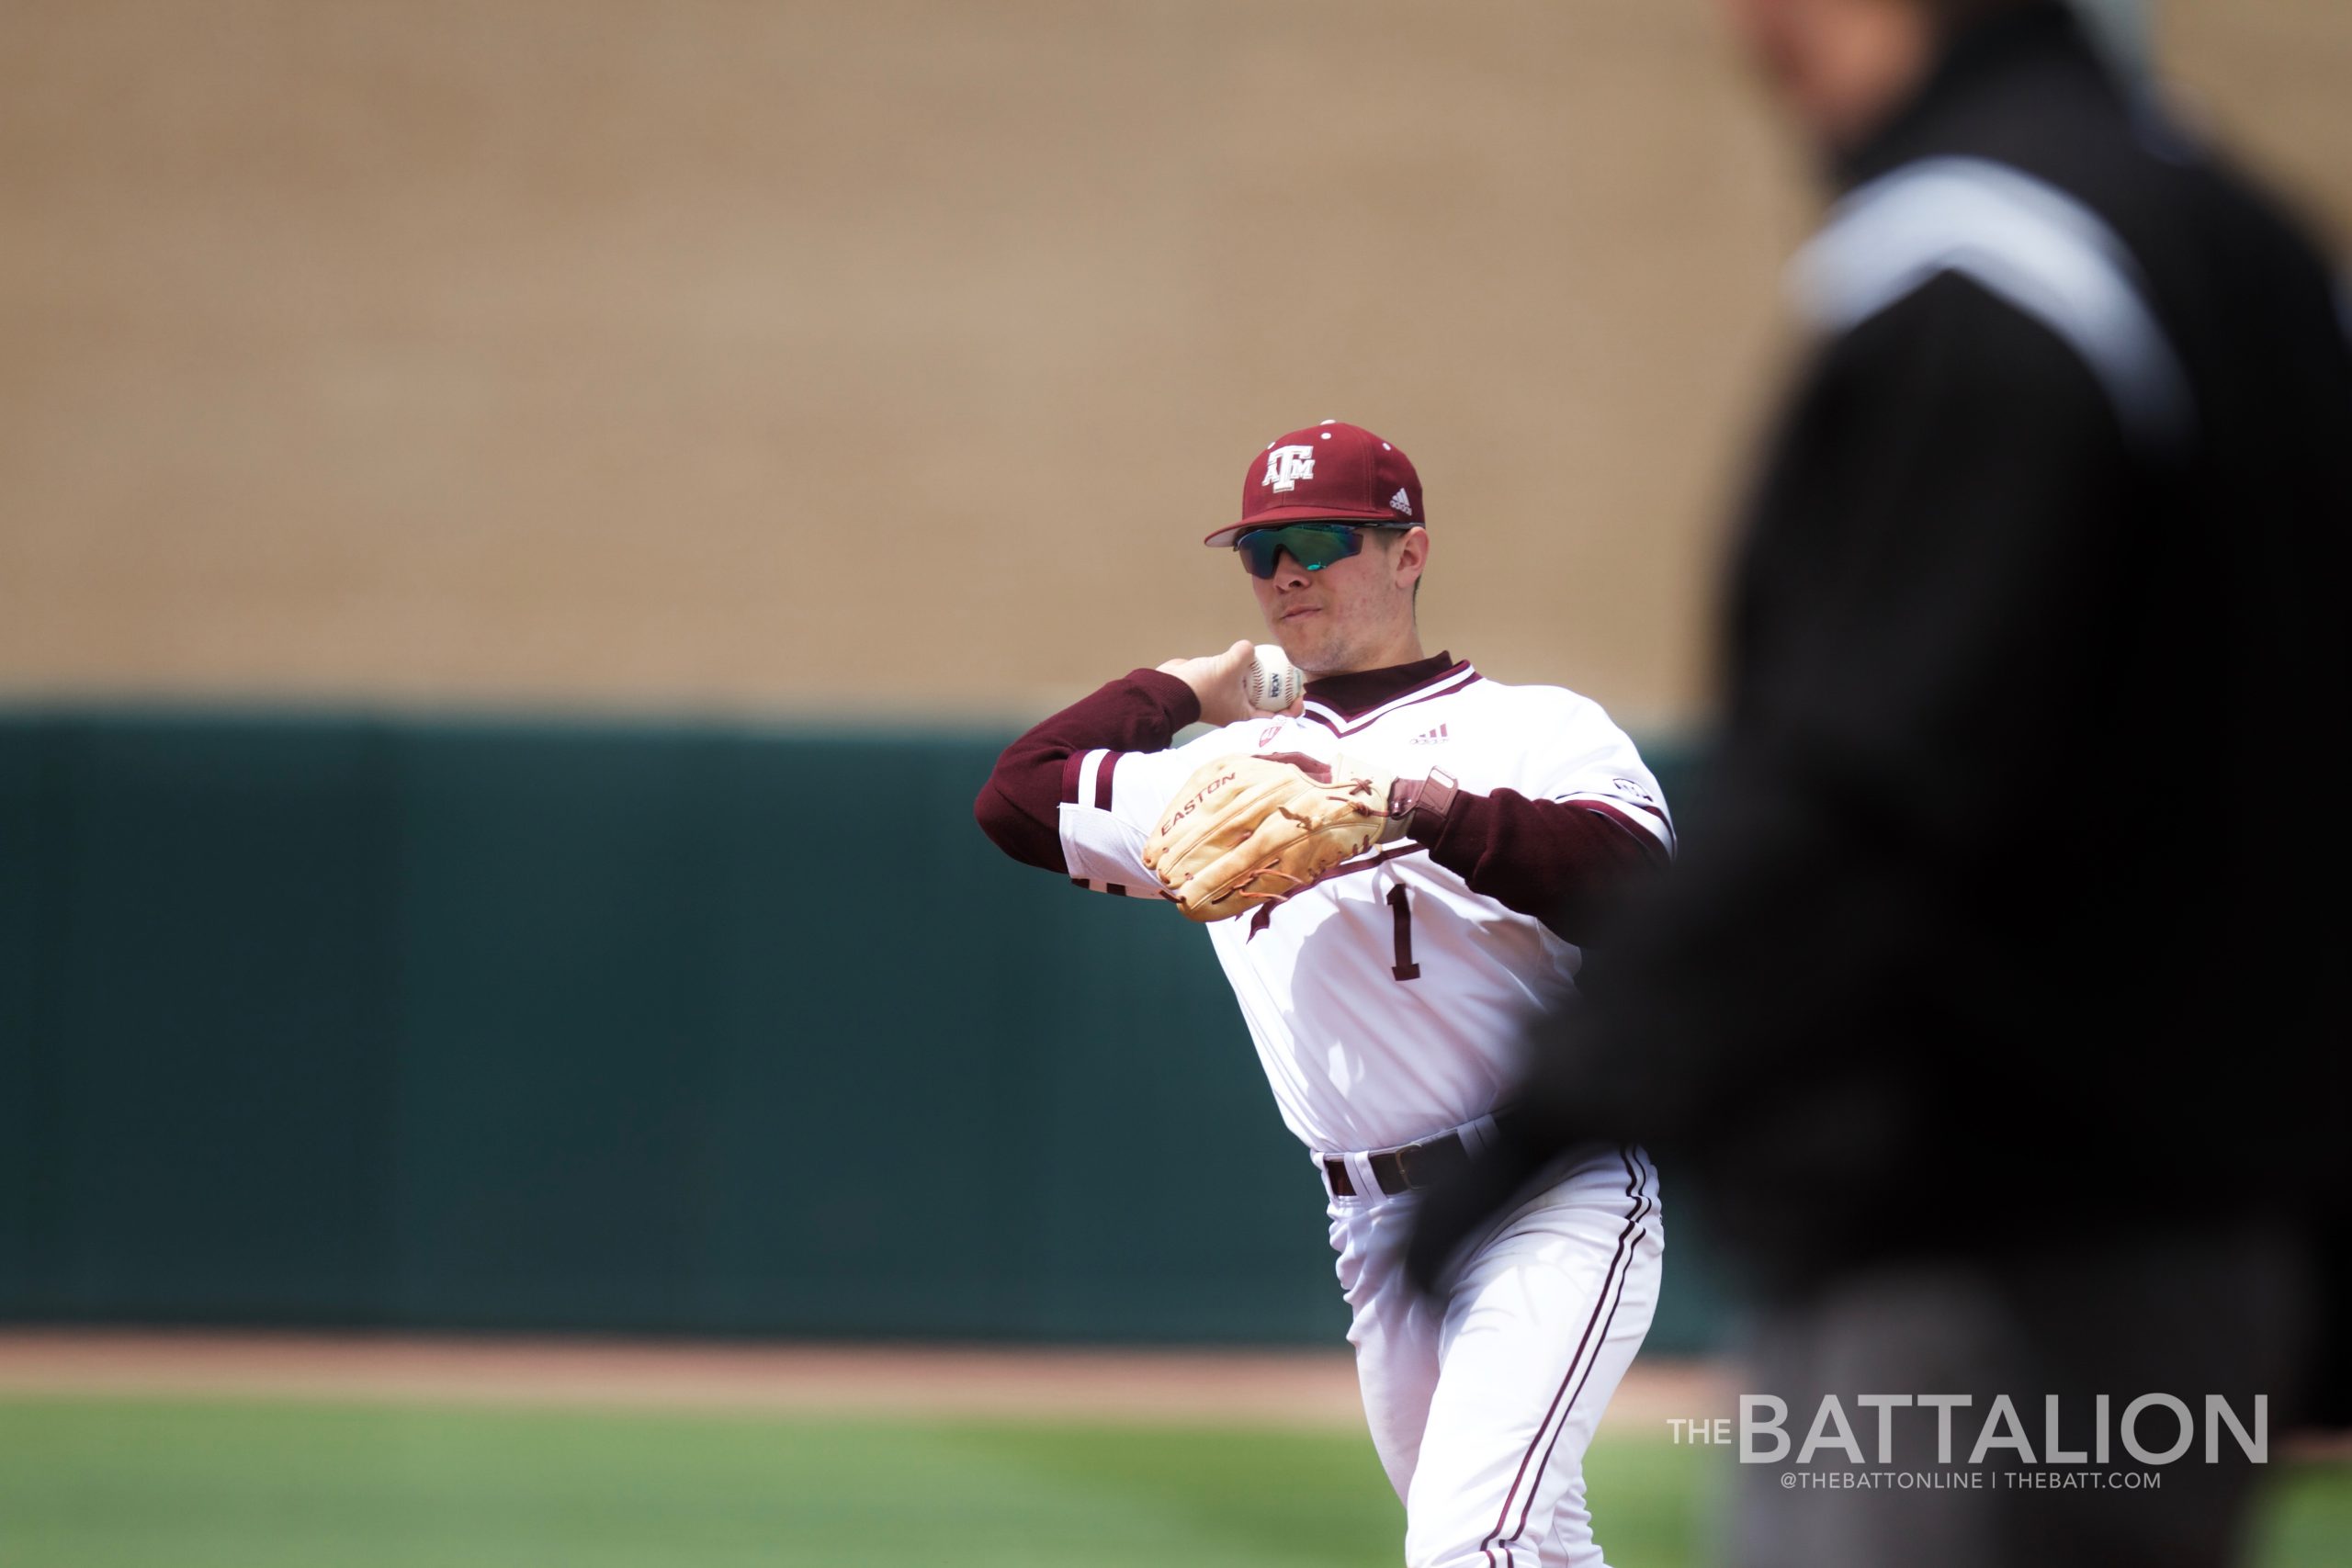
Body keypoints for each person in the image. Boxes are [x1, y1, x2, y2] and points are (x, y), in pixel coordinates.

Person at [1408, 3, 2352, 1564]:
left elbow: (1863, 779)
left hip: (1977, 1265)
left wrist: (1541, 1119)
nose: (1752, 35)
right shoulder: (2257, 252)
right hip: (2219, 1250)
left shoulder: (1986, 259)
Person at [975, 420, 1676, 1567]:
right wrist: (1188, 688)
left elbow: (1637, 885)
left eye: (1322, 538)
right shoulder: (1214, 778)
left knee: (1468, 1546)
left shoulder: (1536, 728)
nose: (1288, 571)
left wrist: (1419, 809)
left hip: (1548, 1191)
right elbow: (1015, 798)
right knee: (1534, 1543)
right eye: (1261, 552)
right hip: (1376, 1227)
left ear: (1409, 552)